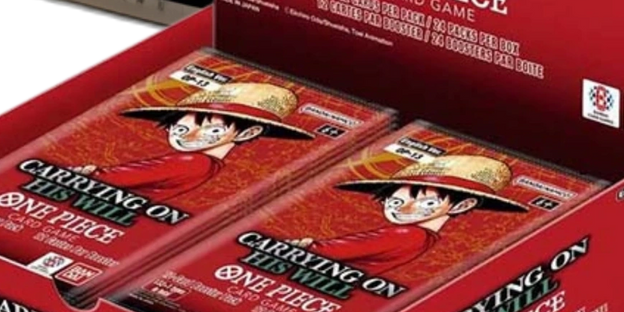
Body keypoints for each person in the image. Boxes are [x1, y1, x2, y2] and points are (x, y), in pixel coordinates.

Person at [72, 82, 312, 205]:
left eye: (212, 129)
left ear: (249, 132)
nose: (189, 137)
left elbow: (106, 179)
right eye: (181, 129)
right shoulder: (205, 165)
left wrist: (86, 173)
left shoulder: (193, 161)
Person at [289, 155, 526, 272]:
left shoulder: (408, 235)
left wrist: (300, 246)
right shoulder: (422, 238)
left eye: (427, 202)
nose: (403, 209)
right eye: (395, 201)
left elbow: (322, 251)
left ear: (462, 205)